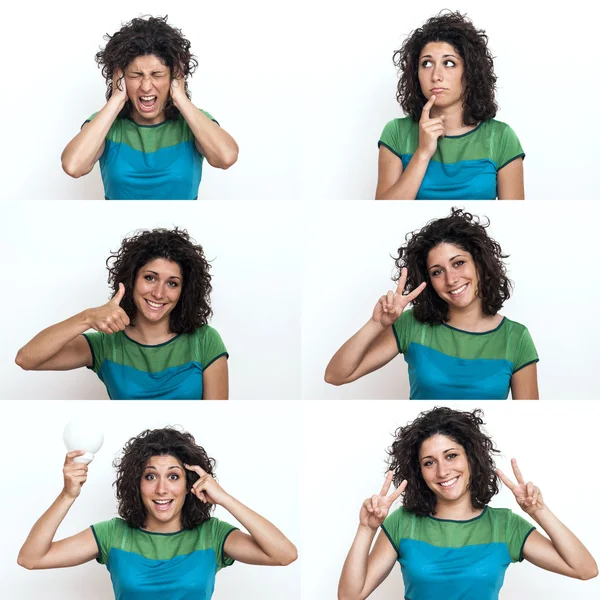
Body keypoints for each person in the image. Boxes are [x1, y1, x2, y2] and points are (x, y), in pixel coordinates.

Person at [338, 407, 597, 600]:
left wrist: (539, 511)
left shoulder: (504, 525)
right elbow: (350, 596)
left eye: (451, 456)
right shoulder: (403, 522)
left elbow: (585, 569)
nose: (442, 471)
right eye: (429, 462)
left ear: (471, 459)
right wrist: (366, 529)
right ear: (419, 471)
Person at [17, 427, 297, 599]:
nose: (162, 489)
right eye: (150, 477)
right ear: (136, 484)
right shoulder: (113, 534)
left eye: (174, 477)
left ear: (190, 484)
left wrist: (224, 498)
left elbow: (284, 554)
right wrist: (68, 494)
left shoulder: (212, 534)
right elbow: (31, 558)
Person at [325, 208, 538, 399]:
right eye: (437, 272)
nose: (451, 279)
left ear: (479, 264)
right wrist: (376, 324)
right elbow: (336, 375)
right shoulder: (412, 324)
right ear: (428, 280)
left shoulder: (516, 338)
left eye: (458, 263)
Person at [15, 228, 228, 400]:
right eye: (150, 278)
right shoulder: (106, 344)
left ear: (184, 291)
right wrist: (87, 317)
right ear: (132, 279)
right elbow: (26, 359)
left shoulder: (205, 340)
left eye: (172, 283)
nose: (159, 293)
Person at [61, 15, 238, 199]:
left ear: (174, 78)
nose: (146, 86)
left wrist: (180, 97)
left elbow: (226, 158)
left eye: (157, 74)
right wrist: (117, 98)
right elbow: (73, 166)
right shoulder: (106, 123)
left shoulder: (193, 121)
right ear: (120, 78)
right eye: (135, 75)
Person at [376, 11, 524, 200]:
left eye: (449, 63)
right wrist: (422, 153)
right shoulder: (396, 132)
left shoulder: (501, 137)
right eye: (427, 64)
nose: (436, 75)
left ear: (470, 71)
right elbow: (381, 217)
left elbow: (514, 221)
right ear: (416, 73)